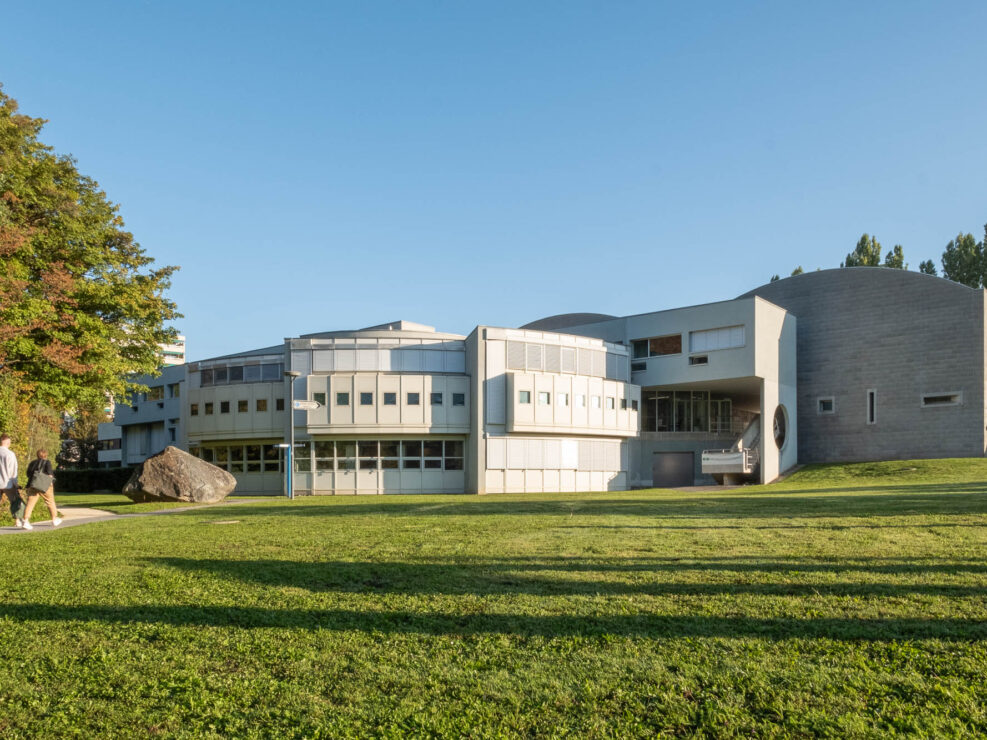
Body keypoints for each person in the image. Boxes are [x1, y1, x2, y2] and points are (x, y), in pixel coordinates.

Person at [22, 449, 60, 530]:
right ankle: (54, 519)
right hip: (44, 486)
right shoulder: (47, 462)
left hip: (33, 485)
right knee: (50, 501)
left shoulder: (32, 463)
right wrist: (51, 483)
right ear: (46, 455)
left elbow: (28, 474)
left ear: (37, 455)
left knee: (30, 503)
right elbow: (50, 475)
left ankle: (25, 520)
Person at [0, 433, 26, 528]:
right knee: (15, 501)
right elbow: (13, 470)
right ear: (7, 442)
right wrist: (15, 483)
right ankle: (17, 520)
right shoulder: (10, 454)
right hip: (8, 482)